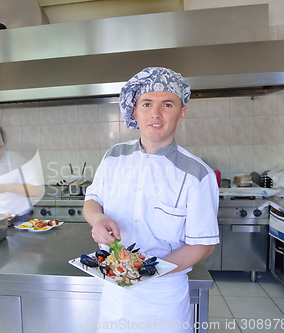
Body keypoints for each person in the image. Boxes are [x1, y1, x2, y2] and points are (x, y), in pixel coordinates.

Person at [83, 67, 219, 332]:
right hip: (113, 293)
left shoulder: (197, 174)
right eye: (147, 104)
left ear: (181, 113)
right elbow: (92, 200)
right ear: (135, 112)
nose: (155, 114)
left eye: (167, 104)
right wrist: (97, 218)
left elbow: (204, 244)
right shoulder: (114, 156)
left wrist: (146, 271)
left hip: (163, 300)